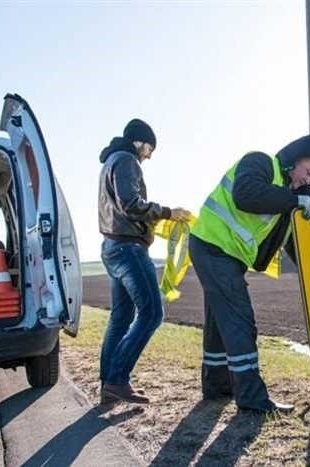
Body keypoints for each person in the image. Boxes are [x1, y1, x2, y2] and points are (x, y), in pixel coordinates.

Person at [189, 132, 310, 413]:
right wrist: (294, 201)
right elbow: (245, 195)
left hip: (220, 251)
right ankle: (253, 399)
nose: (309, 180)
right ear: (293, 159)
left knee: (221, 323)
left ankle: (217, 385)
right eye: (308, 172)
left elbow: (290, 242)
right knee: (241, 321)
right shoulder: (261, 162)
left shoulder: (286, 194)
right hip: (213, 246)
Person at [98, 118, 190, 403]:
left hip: (112, 247)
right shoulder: (127, 160)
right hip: (129, 250)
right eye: (150, 149)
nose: (149, 156)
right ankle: (116, 380)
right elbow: (131, 204)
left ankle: (108, 384)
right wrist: (167, 212)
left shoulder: (109, 162)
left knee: (121, 317)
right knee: (152, 313)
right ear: (141, 142)